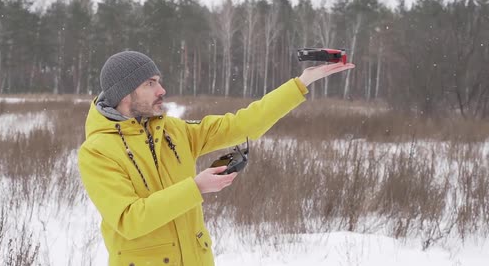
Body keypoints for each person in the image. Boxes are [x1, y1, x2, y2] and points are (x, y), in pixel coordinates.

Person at [78, 51, 355, 266]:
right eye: (151, 83)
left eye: (159, 81)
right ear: (126, 93)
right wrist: (195, 188)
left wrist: (301, 83)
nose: (162, 90)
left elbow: (241, 125)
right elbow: (130, 219)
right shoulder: (97, 151)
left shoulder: (174, 131)